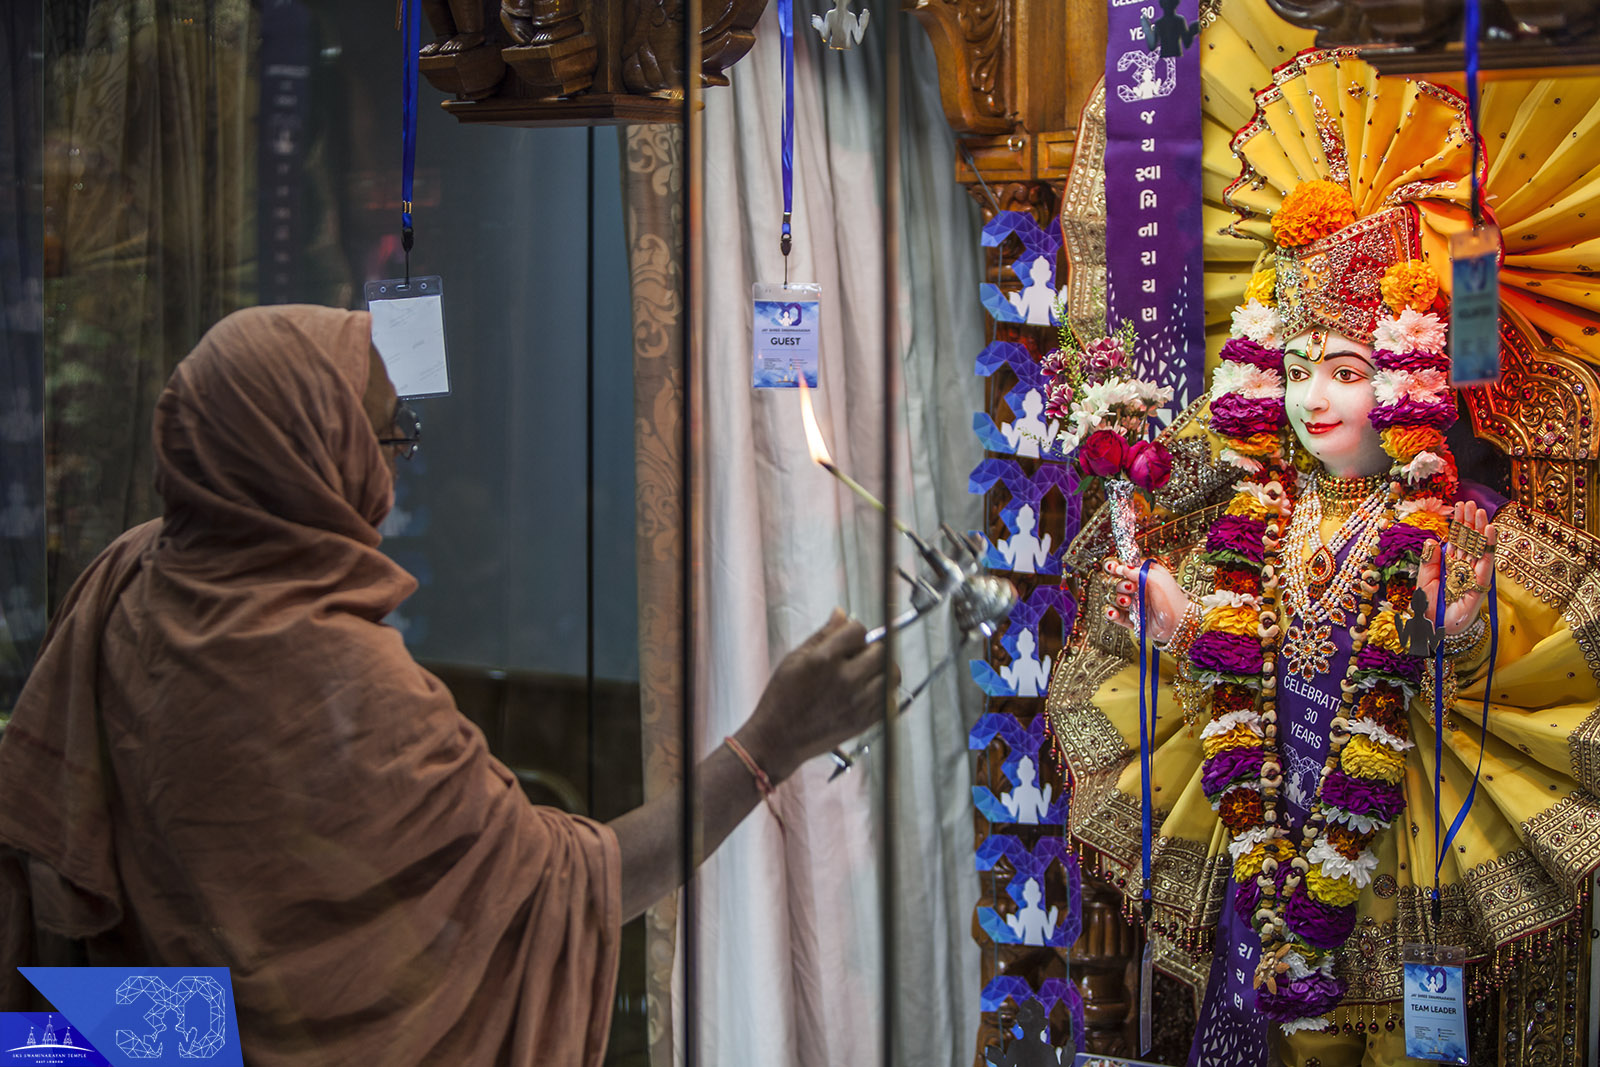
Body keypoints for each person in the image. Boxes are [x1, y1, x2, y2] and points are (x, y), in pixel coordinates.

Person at [0, 304, 891, 1066]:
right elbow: (561, 890)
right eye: (384, 439)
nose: (391, 478)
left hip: (128, 1036)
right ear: (303, 453)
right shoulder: (336, 682)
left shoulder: (124, 582)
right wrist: (769, 743)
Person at [1048, 52, 1600, 1066]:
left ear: (1404, 381)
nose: (1312, 399)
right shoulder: (1257, 516)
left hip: (1390, 839)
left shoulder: (1447, 518)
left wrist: (1460, 630)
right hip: (1262, 842)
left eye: (1344, 373)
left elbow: (1506, 682)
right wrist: (1177, 628)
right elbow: (1227, 678)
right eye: (1297, 370)